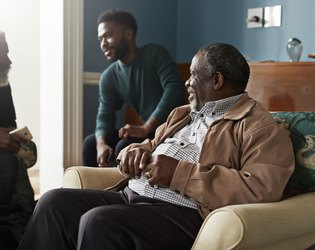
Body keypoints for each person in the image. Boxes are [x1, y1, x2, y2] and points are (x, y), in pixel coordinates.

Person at [18, 43, 295, 250]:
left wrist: (178, 173)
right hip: (131, 195)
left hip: (185, 213)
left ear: (217, 80)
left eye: (194, 75)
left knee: (99, 221)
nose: (187, 81)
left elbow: (260, 190)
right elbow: (150, 144)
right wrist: (133, 152)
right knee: (53, 201)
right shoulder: (183, 114)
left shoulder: (260, 127)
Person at [82, 9, 186, 167]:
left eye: (108, 35)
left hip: (172, 131)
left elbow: (174, 89)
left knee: (124, 147)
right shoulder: (109, 76)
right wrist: (101, 144)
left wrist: (146, 127)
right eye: (100, 38)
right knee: (91, 144)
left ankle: (123, 192)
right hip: (146, 132)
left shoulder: (154, 53)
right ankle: (96, 191)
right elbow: (105, 116)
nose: (103, 44)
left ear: (128, 34)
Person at [0, 31, 37, 249]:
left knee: (26, 149)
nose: (9, 60)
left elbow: (10, 124)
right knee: (6, 162)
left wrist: (13, 137)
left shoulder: (2, 81)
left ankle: (20, 219)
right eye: (3, 53)